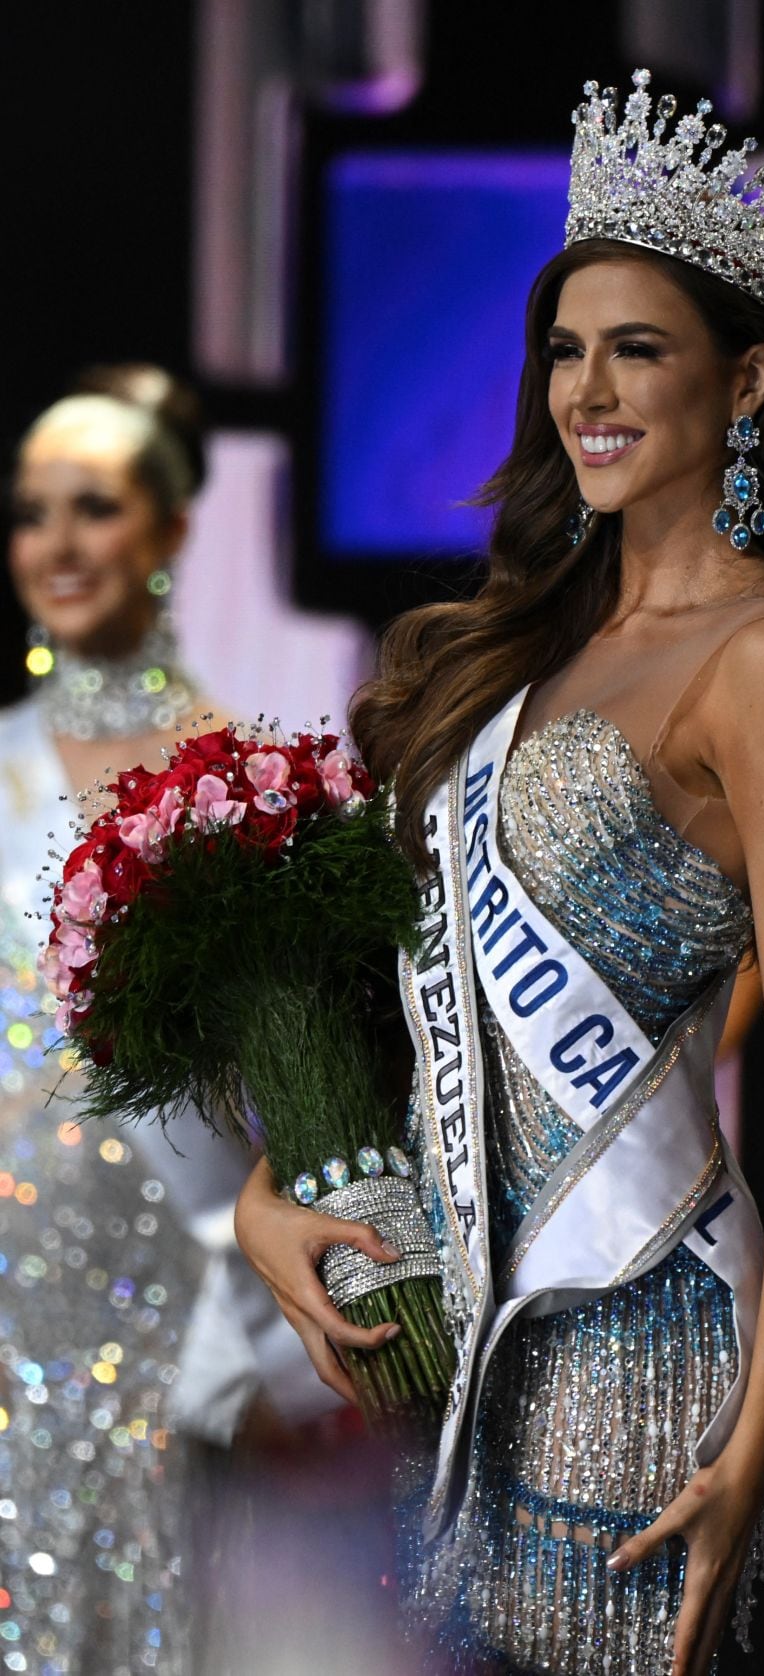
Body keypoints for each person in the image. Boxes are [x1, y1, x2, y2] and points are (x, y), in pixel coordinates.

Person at [235, 71, 764, 1676]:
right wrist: (269, 1205)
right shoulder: (519, 640)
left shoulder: (763, 659)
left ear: (745, 384)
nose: (588, 389)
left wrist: (748, 1440)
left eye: (638, 349)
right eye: (566, 350)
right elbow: (417, 992)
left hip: (631, 1355)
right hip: (451, 1347)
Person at [0, 367, 340, 1673]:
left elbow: (295, 1077)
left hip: (178, 1311)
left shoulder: (241, 781)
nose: (59, 545)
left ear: (171, 528)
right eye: (34, 513)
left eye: (95, 506)